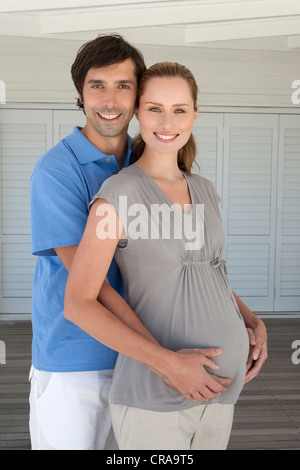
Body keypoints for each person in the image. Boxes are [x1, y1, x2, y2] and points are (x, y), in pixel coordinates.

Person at [64, 62, 268, 450]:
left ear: (195, 114)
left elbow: (211, 273)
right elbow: (78, 304)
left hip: (221, 394)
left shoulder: (205, 190)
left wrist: (251, 319)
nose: (167, 121)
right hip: (155, 396)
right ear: (138, 112)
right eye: (155, 108)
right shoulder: (118, 195)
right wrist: (169, 363)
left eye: (179, 109)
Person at [29, 33, 147, 451]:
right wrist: (160, 355)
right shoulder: (56, 171)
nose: (109, 100)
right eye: (97, 85)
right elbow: (91, 283)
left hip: (137, 361)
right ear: (80, 93)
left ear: (138, 95)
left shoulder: (146, 164)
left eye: (123, 86)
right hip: (74, 364)